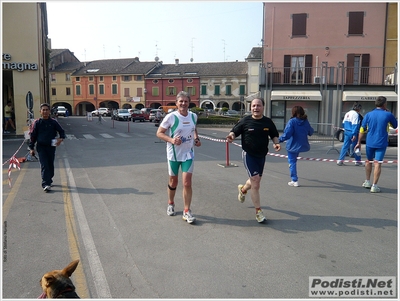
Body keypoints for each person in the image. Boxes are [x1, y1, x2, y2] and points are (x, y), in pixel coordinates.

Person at [226, 98, 281, 223]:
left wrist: (276, 143)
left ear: (263, 107)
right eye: (254, 106)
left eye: (258, 106)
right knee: (256, 182)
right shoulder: (246, 121)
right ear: (250, 108)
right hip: (249, 154)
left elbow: (274, 135)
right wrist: (231, 137)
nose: (256, 108)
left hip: (261, 156)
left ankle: (243, 190)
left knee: (254, 181)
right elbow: (234, 132)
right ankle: (258, 212)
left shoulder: (267, 122)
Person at [156, 91, 201, 224]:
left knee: (187, 182)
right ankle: (171, 203)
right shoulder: (171, 117)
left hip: (188, 154)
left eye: (186, 101)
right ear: (176, 103)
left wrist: (196, 139)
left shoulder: (193, 116)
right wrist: (171, 140)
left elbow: (194, 129)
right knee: (173, 181)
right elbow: (159, 133)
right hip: (174, 154)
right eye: (180, 101)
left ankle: (187, 211)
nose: (183, 103)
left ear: (189, 103)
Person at [354, 96, 397, 193]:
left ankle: (367, 181)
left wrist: (358, 142)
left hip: (370, 142)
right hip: (381, 142)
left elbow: (362, 129)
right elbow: (395, 125)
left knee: (368, 161)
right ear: (384, 104)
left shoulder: (368, 115)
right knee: (378, 163)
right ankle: (374, 185)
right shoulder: (388, 114)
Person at [29, 103, 66, 192]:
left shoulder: (53, 122)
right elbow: (33, 136)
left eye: (46, 110)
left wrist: (60, 139)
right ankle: (46, 183)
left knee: (50, 165)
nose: (45, 112)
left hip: (51, 147)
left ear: (49, 111)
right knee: (44, 165)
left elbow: (62, 132)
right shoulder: (37, 123)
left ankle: (49, 179)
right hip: (41, 147)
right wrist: (31, 148)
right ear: (40, 112)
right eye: (43, 110)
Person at [278, 105, 314, 187]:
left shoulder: (292, 121)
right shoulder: (305, 121)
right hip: (303, 145)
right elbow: (311, 132)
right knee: (294, 161)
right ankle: (294, 179)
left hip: (292, 145)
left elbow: (287, 134)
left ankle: (294, 180)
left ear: (293, 112)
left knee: (292, 162)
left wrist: (278, 140)